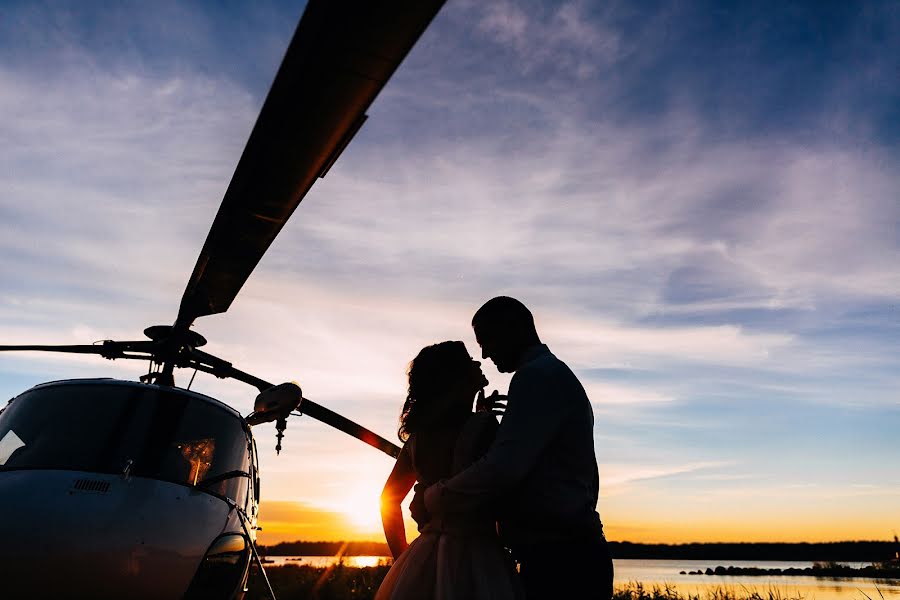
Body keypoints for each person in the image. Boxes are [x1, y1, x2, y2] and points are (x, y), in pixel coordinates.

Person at [418, 296, 614, 599]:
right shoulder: (551, 374)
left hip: (564, 562)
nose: (483, 354)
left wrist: (434, 498)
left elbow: (502, 469)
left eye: (486, 340)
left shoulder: (537, 377)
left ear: (513, 329)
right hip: (561, 554)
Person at [375, 340, 524, 600]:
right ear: (455, 378)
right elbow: (501, 488)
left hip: (424, 555)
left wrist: (404, 558)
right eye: (469, 362)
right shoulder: (485, 427)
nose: (478, 363)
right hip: (479, 556)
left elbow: (388, 500)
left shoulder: (419, 437)